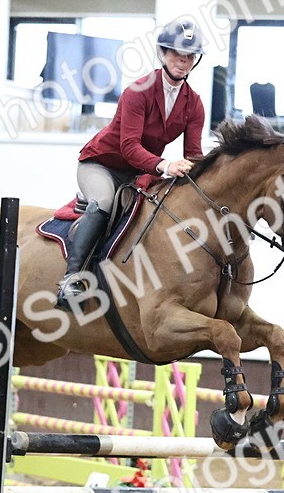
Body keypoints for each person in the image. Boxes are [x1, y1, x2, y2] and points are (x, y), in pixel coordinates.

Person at [56, 17, 207, 306]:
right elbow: (128, 147)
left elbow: (194, 154)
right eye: (177, 53)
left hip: (138, 173)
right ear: (163, 53)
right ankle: (71, 279)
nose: (184, 61)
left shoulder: (194, 103)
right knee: (104, 203)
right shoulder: (137, 91)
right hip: (101, 165)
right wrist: (165, 165)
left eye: (190, 56)